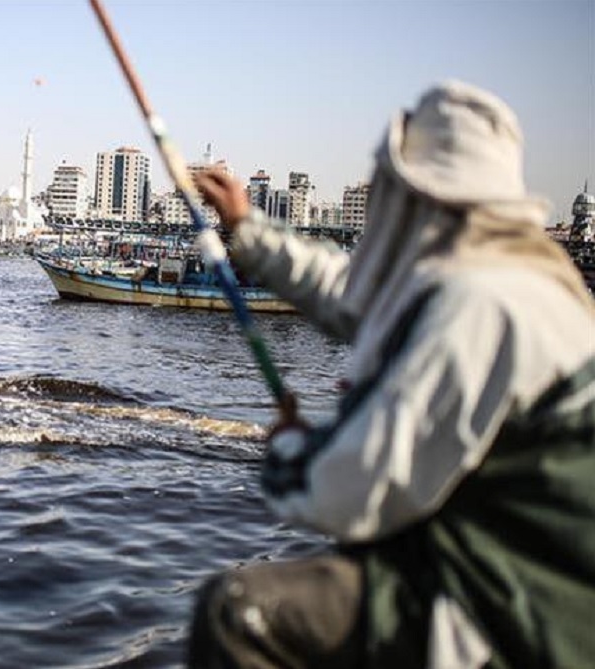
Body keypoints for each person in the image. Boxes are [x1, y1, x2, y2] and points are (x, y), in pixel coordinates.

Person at [187, 81, 595, 669]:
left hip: (509, 612)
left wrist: (289, 450)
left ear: (421, 196)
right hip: (496, 568)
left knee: (238, 611)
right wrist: (248, 229)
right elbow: (354, 296)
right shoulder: (503, 276)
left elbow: (349, 488)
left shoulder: (480, 305)